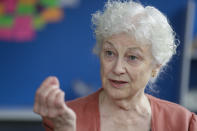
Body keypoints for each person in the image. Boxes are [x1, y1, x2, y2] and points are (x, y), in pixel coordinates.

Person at [33, 0, 197, 131]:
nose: (117, 69)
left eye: (132, 57)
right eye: (109, 53)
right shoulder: (67, 118)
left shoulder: (182, 122)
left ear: (156, 67)